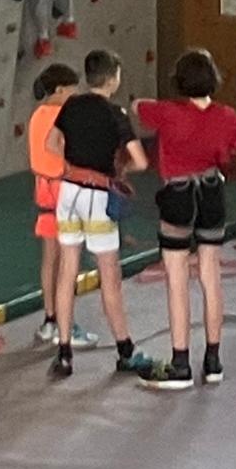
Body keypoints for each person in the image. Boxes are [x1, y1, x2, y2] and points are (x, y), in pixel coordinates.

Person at [133, 49, 236, 390]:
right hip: (211, 192)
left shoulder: (168, 112)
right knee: (210, 276)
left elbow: (137, 107)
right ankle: (213, 361)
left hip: (178, 195)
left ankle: (180, 363)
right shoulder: (226, 115)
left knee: (176, 278)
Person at [45, 49, 153, 379]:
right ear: (113, 78)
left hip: (69, 191)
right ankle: (125, 351)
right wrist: (120, 170)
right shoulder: (115, 113)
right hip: (97, 196)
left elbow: (51, 144)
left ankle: (64, 352)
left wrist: (73, 163)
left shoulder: (71, 105)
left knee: (67, 271)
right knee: (109, 275)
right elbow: (141, 160)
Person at [28, 64, 98, 352]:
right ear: (59, 90)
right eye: (71, 89)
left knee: (50, 259)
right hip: (64, 190)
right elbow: (62, 148)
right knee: (68, 262)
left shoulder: (37, 115)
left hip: (44, 190)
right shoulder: (63, 115)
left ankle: (50, 319)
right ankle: (65, 325)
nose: (75, 93)